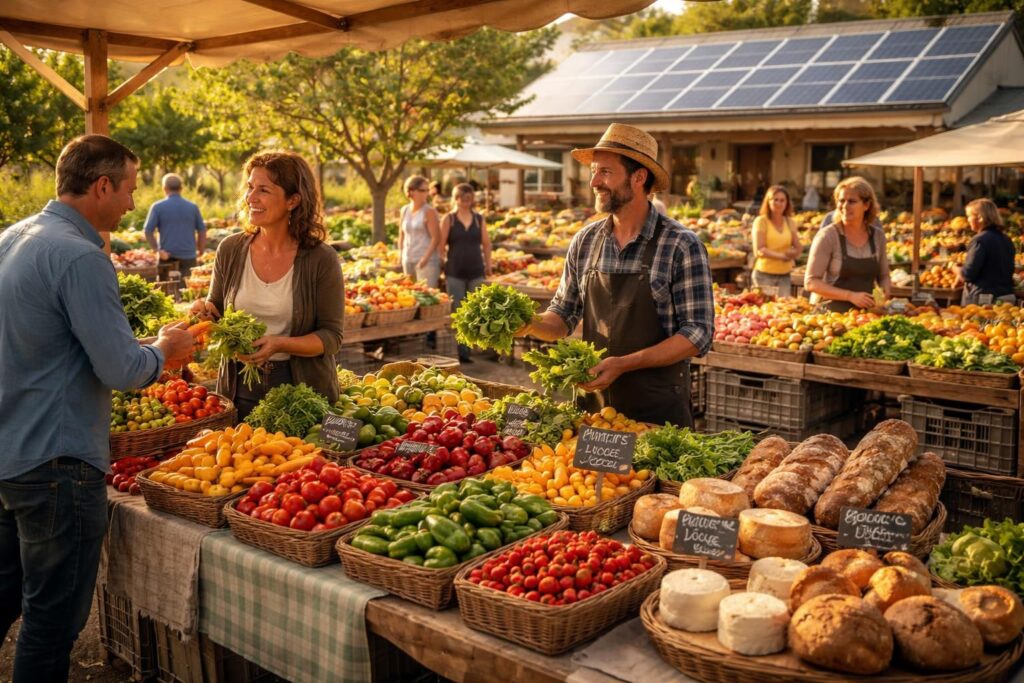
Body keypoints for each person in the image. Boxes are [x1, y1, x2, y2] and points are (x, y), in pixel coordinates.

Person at [0, 135, 194, 681]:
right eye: (130, 188)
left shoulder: (12, 236)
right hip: (56, 464)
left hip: (10, 451)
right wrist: (164, 349)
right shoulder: (81, 257)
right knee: (52, 620)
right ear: (102, 185)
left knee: (6, 597)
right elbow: (123, 370)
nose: (134, 203)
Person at [515, 123, 714, 427]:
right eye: (593, 171)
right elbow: (563, 315)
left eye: (605, 172)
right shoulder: (585, 240)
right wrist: (529, 323)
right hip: (593, 410)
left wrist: (624, 364)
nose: (594, 181)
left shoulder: (681, 245)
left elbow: (697, 334)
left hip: (658, 414)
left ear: (639, 177)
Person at [191, 151, 344, 420]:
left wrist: (280, 344)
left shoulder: (321, 258)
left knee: (303, 461)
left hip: (302, 393)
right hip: (238, 387)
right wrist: (203, 313)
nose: (251, 198)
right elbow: (216, 309)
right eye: (250, 187)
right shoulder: (230, 250)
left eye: (263, 190)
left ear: (293, 201)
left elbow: (331, 338)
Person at [805, 176, 891, 312]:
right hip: (831, 318)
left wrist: (884, 291)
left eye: (852, 201)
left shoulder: (877, 236)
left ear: (866, 205)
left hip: (866, 314)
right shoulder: (828, 236)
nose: (844, 206)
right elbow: (811, 282)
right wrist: (850, 296)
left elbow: (884, 276)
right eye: (841, 201)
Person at [441, 183, 493, 363]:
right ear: (455, 199)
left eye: (469, 199)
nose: (466, 202)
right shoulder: (449, 219)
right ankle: (462, 350)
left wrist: (489, 264)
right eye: (463, 199)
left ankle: (471, 347)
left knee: (475, 310)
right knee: (459, 311)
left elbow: (486, 244)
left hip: (476, 270)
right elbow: (441, 246)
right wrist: (442, 268)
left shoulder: (479, 219)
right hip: (454, 271)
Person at [143, 172, 206, 279]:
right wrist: (201, 251)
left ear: (164, 188)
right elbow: (202, 230)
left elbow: (147, 231)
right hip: (189, 257)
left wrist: (157, 250)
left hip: (167, 257)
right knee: (188, 291)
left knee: (166, 291)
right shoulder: (192, 207)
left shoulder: (158, 207)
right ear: (181, 188)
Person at [953, 198, 1016, 305]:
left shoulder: (979, 240)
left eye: (969, 216)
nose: (968, 220)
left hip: (984, 300)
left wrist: (955, 268)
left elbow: (967, 274)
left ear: (980, 218)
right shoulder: (1006, 239)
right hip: (1006, 296)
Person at [751, 185, 801, 297]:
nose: (778, 203)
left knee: (782, 309)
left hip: (784, 275)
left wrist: (795, 253)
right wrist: (783, 256)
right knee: (765, 310)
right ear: (768, 201)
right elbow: (759, 250)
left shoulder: (790, 222)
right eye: (775, 200)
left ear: (787, 203)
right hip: (764, 275)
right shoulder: (761, 221)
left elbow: (798, 246)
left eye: (782, 200)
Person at [398, 175, 442, 288]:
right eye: (423, 190)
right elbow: (401, 235)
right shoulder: (404, 210)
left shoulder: (429, 211)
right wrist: (401, 254)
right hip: (408, 259)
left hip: (426, 262)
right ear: (411, 191)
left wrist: (425, 258)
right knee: (409, 295)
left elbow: (436, 238)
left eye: (428, 190)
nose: (426, 193)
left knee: (426, 297)